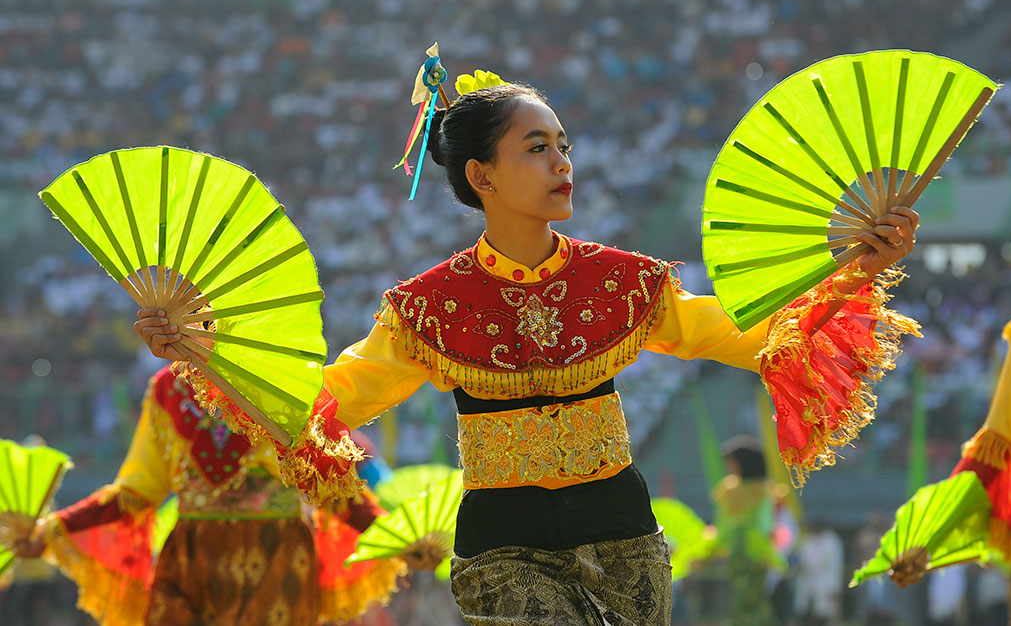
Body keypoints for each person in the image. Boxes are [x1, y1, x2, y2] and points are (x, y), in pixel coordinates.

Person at [135, 67, 921, 625]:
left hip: (623, 529)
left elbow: (753, 339)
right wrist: (201, 351)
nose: (562, 163)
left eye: (563, 144)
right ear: (482, 175)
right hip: (501, 543)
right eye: (537, 148)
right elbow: (333, 397)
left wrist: (857, 269)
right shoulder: (429, 306)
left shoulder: (623, 281)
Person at [14, 364, 406, 626]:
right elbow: (135, 493)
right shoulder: (168, 387)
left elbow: (328, 486)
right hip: (190, 564)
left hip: (275, 562)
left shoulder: (285, 382)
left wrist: (402, 539)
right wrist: (51, 531)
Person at [712, 435, 785, 626]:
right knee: (747, 598)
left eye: (732, 462)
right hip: (737, 554)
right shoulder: (728, 489)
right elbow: (722, 524)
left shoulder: (762, 491)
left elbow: (765, 524)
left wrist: (762, 549)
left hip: (754, 554)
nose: (729, 467)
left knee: (749, 599)